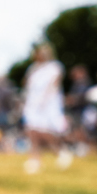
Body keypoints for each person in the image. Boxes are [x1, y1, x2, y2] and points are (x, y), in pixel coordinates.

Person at [21, 42, 66, 171]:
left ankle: (58, 151)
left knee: (44, 131)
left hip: (47, 105)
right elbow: (27, 84)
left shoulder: (55, 67)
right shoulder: (34, 68)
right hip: (32, 104)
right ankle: (35, 159)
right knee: (31, 130)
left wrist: (43, 101)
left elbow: (53, 85)